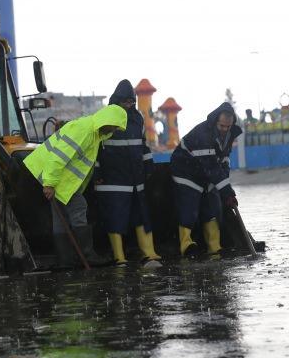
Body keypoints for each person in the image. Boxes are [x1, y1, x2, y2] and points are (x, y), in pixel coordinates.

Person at [23, 104, 127, 268]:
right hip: (55, 177)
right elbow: (59, 157)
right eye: (114, 126)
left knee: (60, 218)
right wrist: (49, 183)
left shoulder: (94, 134)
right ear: (106, 121)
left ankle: (65, 260)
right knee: (79, 206)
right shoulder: (84, 130)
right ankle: (86, 255)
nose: (113, 130)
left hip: (58, 178)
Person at [95, 80, 161, 267]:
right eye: (126, 101)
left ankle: (149, 253)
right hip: (113, 178)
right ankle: (119, 257)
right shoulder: (104, 117)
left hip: (135, 178)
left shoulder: (137, 118)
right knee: (116, 217)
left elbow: (142, 143)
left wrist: (149, 164)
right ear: (117, 100)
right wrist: (97, 171)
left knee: (142, 216)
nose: (129, 105)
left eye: (132, 102)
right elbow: (96, 148)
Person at [170, 102, 242, 258]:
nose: (224, 129)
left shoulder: (228, 134)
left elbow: (223, 162)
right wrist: (227, 191)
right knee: (189, 207)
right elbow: (211, 166)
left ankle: (214, 247)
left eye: (228, 127)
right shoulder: (203, 134)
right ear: (216, 121)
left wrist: (226, 191)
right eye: (222, 126)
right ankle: (187, 245)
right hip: (186, 170)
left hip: (205, 172)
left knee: (212, 207)